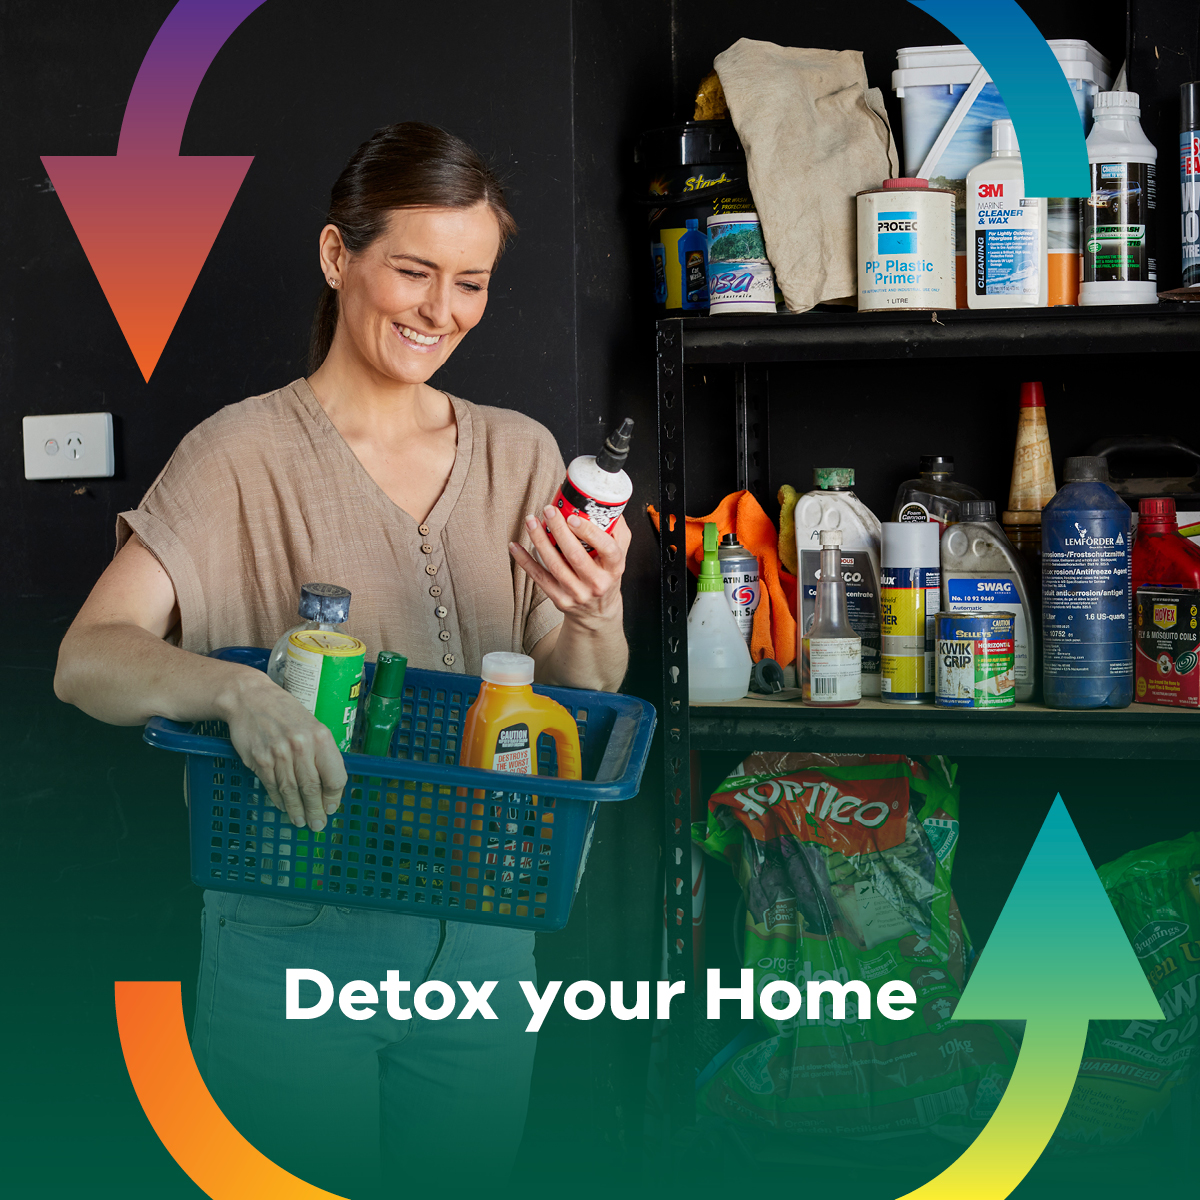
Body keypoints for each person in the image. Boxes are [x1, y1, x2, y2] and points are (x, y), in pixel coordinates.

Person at [53, 122, 629, 1196]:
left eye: (470, 282)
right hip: (296, 928)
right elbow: (86, 659)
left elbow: (579, 695)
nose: (441, 310)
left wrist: (594, 612)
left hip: (487, 935)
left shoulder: (522, 455)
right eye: (413, 271)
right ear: (337, 255)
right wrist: (236, 692)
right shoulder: (239, 455)